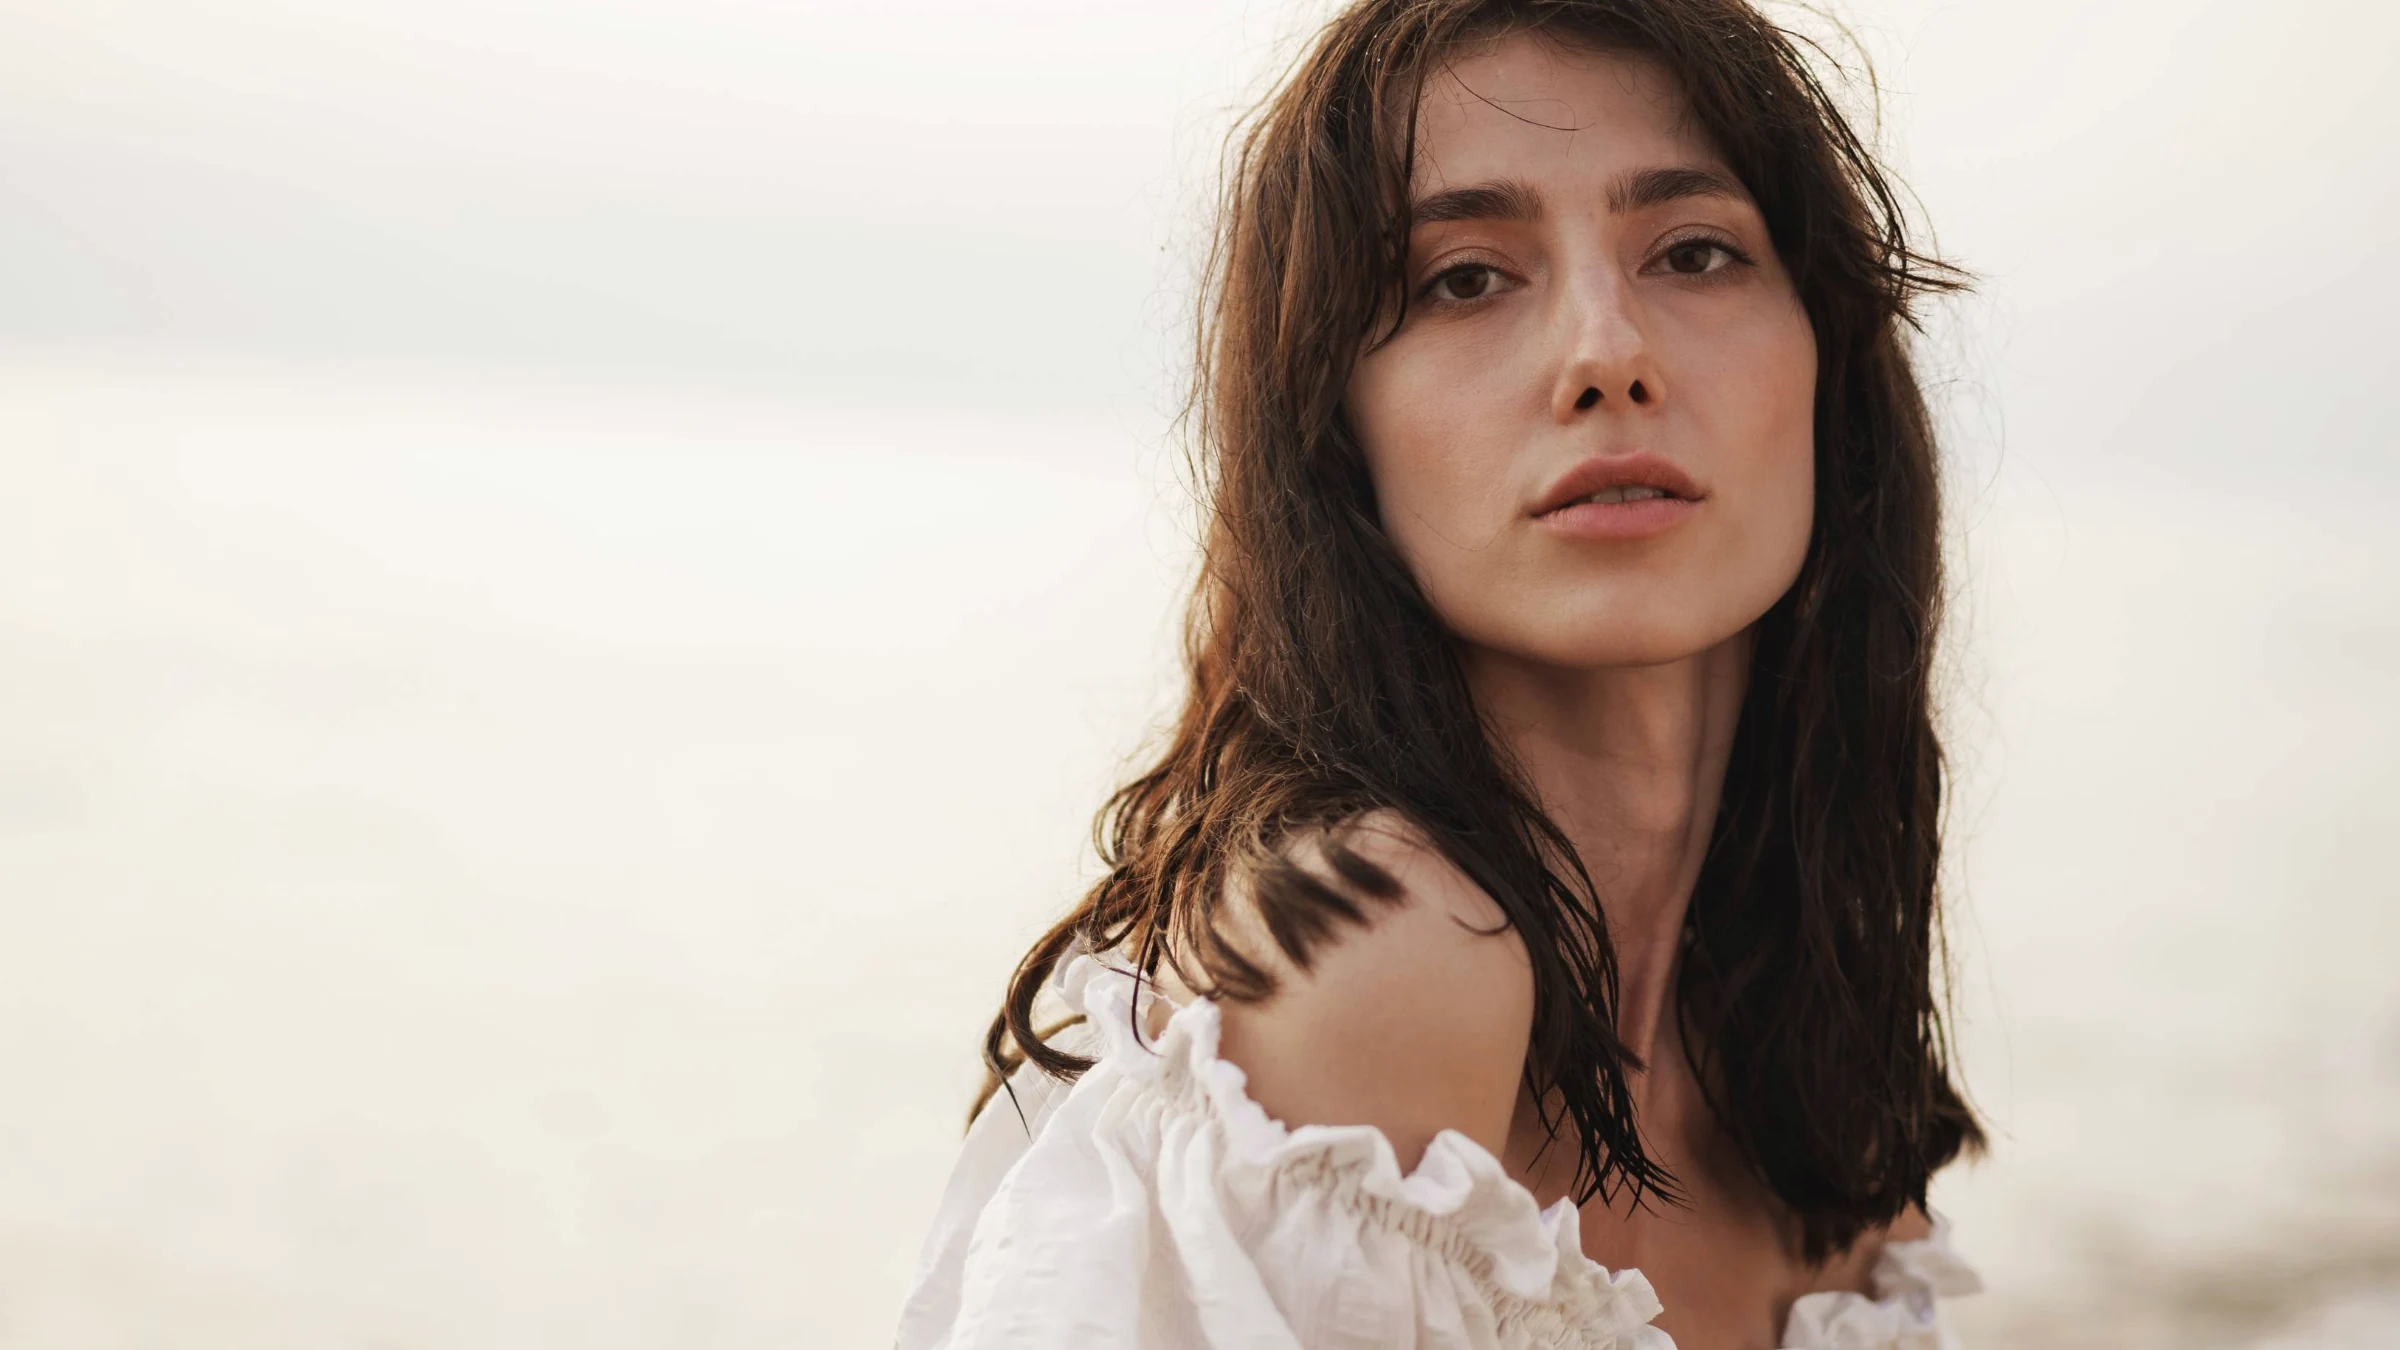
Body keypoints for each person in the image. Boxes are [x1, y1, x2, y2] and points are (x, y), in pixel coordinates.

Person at [898, 1, 1985, 1345]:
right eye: (1465, 277)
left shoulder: (1810, 1107)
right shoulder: (1385, 955)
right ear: (1333, 427)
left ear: (1828, 364)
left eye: (1695, 253)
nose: (1607, 354)